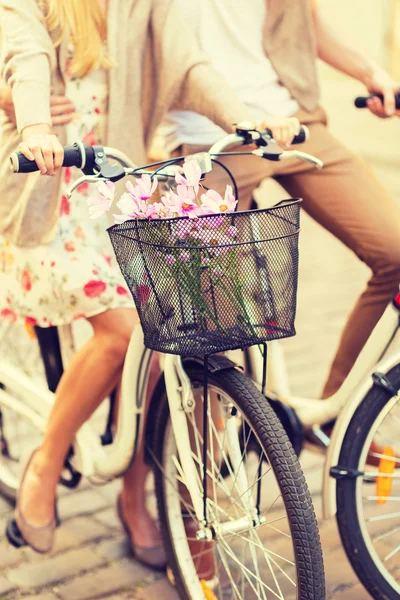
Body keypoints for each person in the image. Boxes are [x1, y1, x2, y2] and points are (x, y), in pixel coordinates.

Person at [0, 0, 299, 563]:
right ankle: (45, 461)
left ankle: (134, 496)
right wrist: (36, 124)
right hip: (47, 194)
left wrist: (242, 119)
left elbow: (189, 67)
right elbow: (27, 56)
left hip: (116, 191)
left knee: (161, 351)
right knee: (120, 334)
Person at [162, 0, 400, 409]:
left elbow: (304, 19)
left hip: (292, 123)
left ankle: (339, 411)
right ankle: (220, 447)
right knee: (211, 320)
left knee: (395, 252)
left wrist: (369, 72)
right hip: (205, 138)